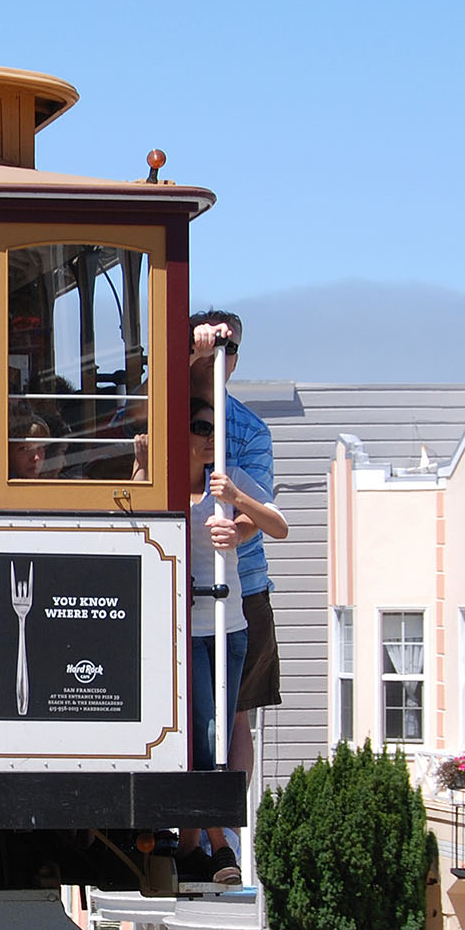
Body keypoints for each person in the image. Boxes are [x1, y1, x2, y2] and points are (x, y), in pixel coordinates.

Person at [185, 394, 286, 885]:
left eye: (212, 432)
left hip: (229, 628)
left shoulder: (224, 484)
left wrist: (239, 505)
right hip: (185, 630)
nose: (209, 439)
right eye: (201, 429)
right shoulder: (159, 484)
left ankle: (200, 844)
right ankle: (217, 845)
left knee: (219, 736)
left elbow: (279, 525)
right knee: (202, 738)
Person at [190, 311, 278, 812]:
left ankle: (223, 829)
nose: (221, 355)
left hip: (240, 586)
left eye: (229, 348)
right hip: (180, 583)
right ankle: (190, 827)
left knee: (236, 712)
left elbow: (262, 511)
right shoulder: (162, 410)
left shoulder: (247, 429)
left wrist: (236, 526)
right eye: (213, 344)